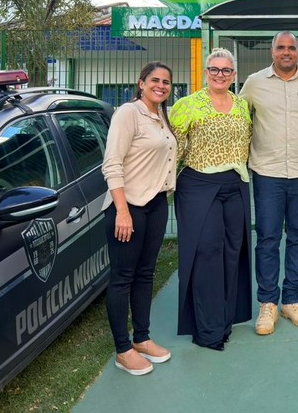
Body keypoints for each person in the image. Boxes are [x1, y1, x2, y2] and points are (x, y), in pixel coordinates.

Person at [240, 31, 298, 335]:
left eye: (291, 48)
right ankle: (268, 304)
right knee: (268, 238)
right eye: (280, 47)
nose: (286, 52)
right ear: (272, 51)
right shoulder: (253, 83)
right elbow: (239, 119)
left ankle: (291, 299)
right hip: (267, 173)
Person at [169, 48, 253, 350]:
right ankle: (207, 329)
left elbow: (247, 143)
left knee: (233, 252)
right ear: (206, 72)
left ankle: (224, 320)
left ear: (234, 75)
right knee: (206, 252)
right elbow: (172, 148)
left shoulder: (243, 105)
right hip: (198, 183)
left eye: (226, 70)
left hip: (236, 183)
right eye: (214, 69)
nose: (220, 74)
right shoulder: (187, 105)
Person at [102, 61, 177, 375]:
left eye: (166, 82)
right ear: (141, 83)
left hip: (157, 204)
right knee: (123, 278)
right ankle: (123, 349)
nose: (161, 85)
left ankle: (142, 338)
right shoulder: (128, 113)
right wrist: (122, 211)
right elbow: (112, 164)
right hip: (128, 207)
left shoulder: (161, 115)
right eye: (155, 80)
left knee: (146, 273)